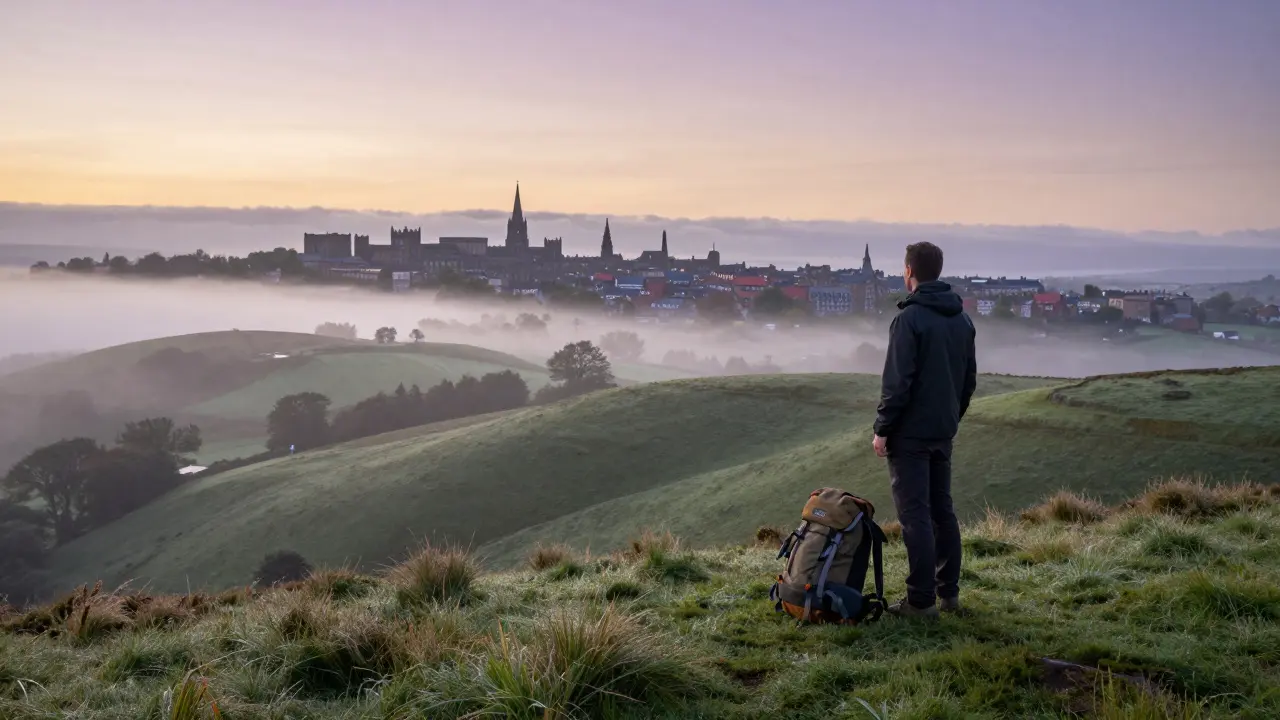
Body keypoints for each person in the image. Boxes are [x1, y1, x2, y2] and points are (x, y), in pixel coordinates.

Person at [872, 242, 976, 619]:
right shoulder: (962, 319)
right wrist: (951, 417)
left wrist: (882, 429)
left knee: (915, 515)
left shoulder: (908, 320)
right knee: (941, 511)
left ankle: (920, 601)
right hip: (942, 430)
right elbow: (968, 381)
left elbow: (897, 383)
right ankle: (948, 594)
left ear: (908, 271)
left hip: (910, 434)